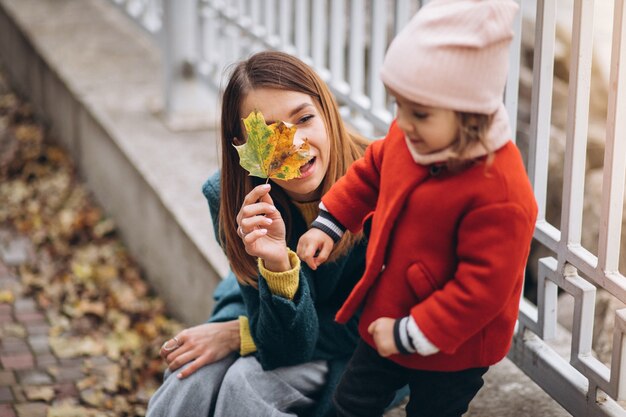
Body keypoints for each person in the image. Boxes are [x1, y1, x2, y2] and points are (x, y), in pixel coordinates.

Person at [297, 1, 538, 416]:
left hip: (452, 349)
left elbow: (481, 290)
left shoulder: (500, 192)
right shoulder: (412, 137)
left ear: (470, 111)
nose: (403, 123)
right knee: (350, 404)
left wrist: (410, 334)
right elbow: (371, 171)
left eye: (419, 113)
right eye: (398, 105)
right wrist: (330, 222)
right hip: (386, 312)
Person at [146, 51, 406, 417]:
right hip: (280, 327)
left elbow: (377, 325)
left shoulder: (386, 185)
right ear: (245, 145)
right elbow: (279, 340)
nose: (294, 145)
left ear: (328, 112)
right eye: (268, 133)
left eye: (304, 118)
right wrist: (277, 264)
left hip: (357, 349)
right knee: (191, 380)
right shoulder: (231, 196)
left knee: (245, 384)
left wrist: (242, 335)